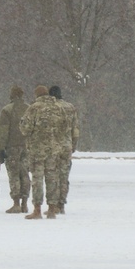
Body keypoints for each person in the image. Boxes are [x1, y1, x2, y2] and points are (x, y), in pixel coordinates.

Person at [19, 85, 70, 219]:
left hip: (37, 150)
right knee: (52, 178)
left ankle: (37, 209)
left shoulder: (34, 108)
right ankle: (52, 209)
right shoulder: (59, 108)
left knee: (37, 179)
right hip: (54, 149)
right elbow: (65, 128)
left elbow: (25, 129)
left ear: (37, 95)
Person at [0, 85, 30, 213]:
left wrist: (1, 148)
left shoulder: (7, 110)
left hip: (12, 146)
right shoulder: (29, 109)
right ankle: (25, 203)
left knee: (14, 174)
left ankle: (16, 202)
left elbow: (3, 131)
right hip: (26, 146)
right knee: (25, 174)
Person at [49, 85, 80, 215]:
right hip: (67, 145)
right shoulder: (70, 107)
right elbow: (75, 130)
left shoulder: (50, 108)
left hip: (53, 145)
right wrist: (73, 145)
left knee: (53, 175)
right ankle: (62, 204)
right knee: (64, 175)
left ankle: (54, 204)